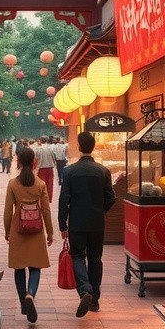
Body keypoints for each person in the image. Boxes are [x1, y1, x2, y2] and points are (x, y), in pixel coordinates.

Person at [58, 131, 115, 316]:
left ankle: (85, 289)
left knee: (77, 256)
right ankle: (95, 301)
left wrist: (62, 224)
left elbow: (64, 199)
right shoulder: (103, 171)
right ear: (93, 147)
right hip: (97, 222)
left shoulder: (69, 171)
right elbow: (111, 198)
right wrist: (100, 210)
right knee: (95, 259)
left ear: (80, 147)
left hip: (77, 222)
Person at [3, 145, 54, 323]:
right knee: (35, 266)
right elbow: (46, 210)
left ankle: (24, 304)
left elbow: (8, 210)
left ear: (18, 160)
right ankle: (31, 294)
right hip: (36, 228)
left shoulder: (13, 184)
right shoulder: (40, 183)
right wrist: (50, 232)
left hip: (18, 228)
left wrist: (7, 230)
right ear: (34, 162)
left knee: (19, 268)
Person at [34, 136, 57, 201]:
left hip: (41, 169)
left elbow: (36, 159)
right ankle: (49, 198)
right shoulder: (50, 149)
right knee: (50, 184)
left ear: (41, 141)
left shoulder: (38, 149)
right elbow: (54, 158)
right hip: (50, 169)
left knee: (41, 184)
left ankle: (42, 198)